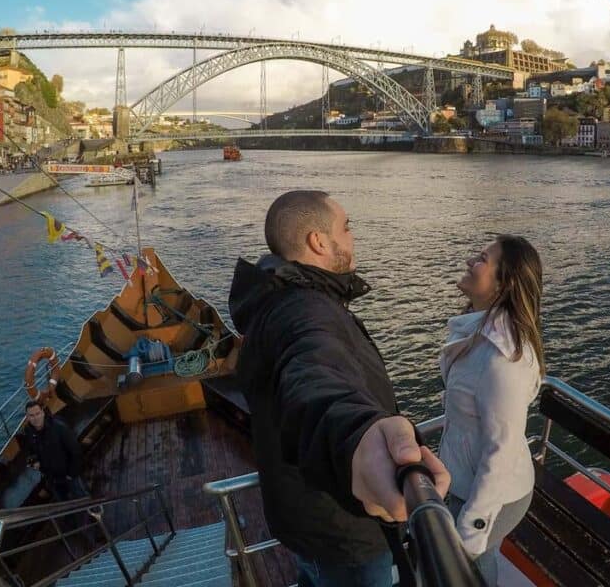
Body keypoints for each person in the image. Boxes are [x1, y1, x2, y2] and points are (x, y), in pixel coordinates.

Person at [229, 190, 449, 587]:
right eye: (346, 228)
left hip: (308, 521)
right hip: (342, 530)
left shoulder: (276, 298)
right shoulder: (306, 310)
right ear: (318, 241)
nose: (352, 237)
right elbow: (315, 374)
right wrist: (356, 436)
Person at [438, 235, 545, 586]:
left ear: (503, 283)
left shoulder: (502, 362)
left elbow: (500, 452)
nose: (470, 261)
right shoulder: (478, 332)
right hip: (463, 478)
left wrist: (472, 526)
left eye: (482, 258)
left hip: (488, 494)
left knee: (472, 566)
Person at [21, 400, 86, 502]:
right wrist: (34, 461)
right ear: (27, 417)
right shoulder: (28, 431)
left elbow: (76, 451)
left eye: (37, 413)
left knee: (82, 498)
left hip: (68, 474)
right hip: (50, 477)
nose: (35, 418)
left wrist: (71, 474)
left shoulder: (59, 428)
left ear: (43, 412)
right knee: (63, 501)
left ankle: (93, 514)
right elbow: (30, 450)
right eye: (32, 415)